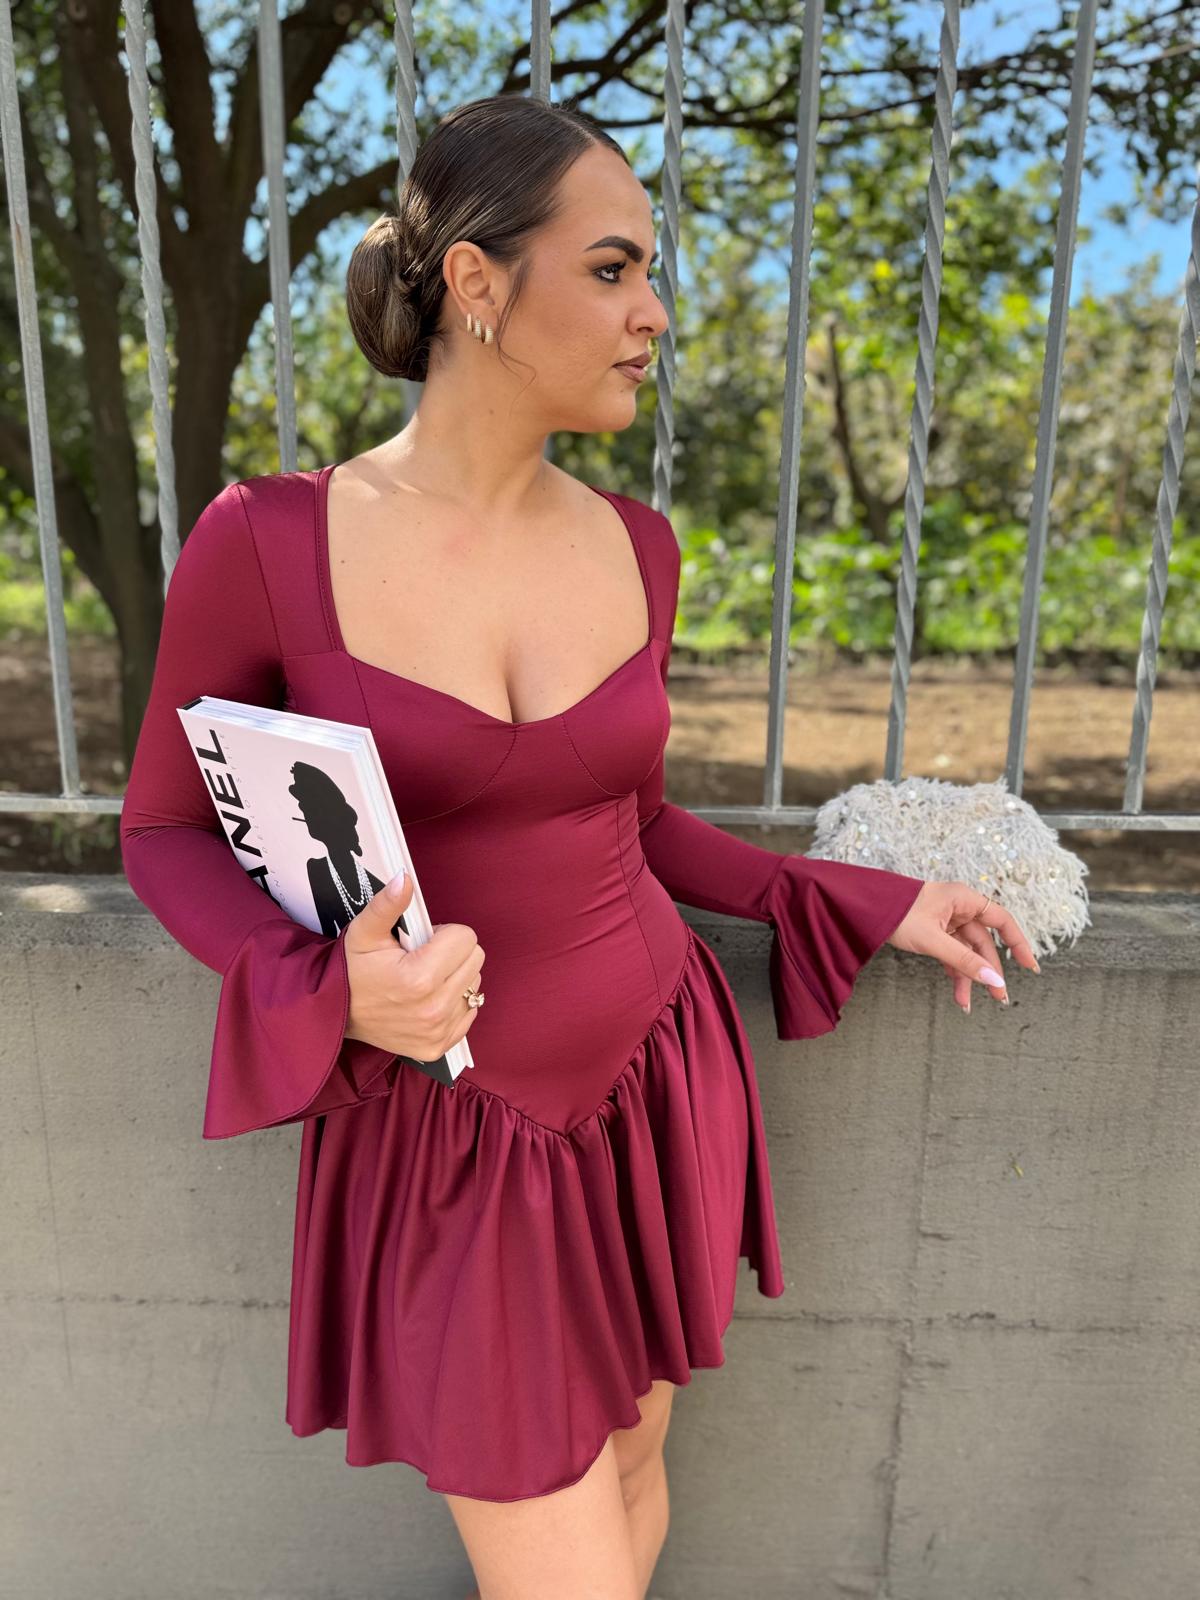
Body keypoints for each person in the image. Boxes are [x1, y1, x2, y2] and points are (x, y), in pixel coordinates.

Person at [120, 92, 1038, 1600]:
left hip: (657, 1081)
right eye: (612, 270)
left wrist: (867, 901)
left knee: (630, 1478)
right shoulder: (269, 541)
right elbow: (163, 826)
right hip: (458, 1130)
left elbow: (634, 821)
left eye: (648, 273)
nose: (653, 312)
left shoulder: (637, 546)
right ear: (476, 283)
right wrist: (321, 990)